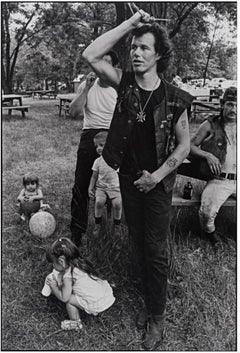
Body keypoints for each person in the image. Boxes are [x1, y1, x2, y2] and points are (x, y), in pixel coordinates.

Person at [82, 9, 194, 350]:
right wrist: (131, 24)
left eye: (144, 47)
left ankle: (157, 316)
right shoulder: (125, 83)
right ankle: (149, 299)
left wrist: (157, 175)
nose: (136, 52)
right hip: (129, 179)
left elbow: (185, 144)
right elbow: (90, 54)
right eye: (133, 47)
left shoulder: (176, 98)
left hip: (157, 184)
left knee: (156, 248)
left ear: (158, 54)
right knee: (139, 243)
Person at [69, 51, 119, 247]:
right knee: (81, 183)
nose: (101, 68)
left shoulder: (118, 88)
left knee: (113, 181)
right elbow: (73, 113)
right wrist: (86, 89)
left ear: (114, 67)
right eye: (98, 63)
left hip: (113, 135)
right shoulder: (87, 85)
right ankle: (77, 230)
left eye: (107, 64)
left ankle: (112, 223)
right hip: (90, 134)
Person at [190, 86, 237, 246]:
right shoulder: (210, 124)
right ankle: (211, 235)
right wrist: (208, 155)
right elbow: (189, 146)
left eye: (237, 105)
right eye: (230, 104)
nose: (234, 109)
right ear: (222, 104)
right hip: (220, 179)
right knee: (206, 213)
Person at [45, 237, 115, 330]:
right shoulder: (79, 263)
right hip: (107, 294)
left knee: (70, 300)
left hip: (97, 303)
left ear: (61, 261)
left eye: (53, 263)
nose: (53, 266)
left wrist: (54, 287)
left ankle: (76, 324)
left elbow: (64, 297)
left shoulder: (68, 276)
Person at [88, 131, 122, 238]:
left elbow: (122, 174)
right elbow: (94, 176)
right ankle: (97, 224)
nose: (98, 148)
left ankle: (117, 225)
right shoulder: (98, 161)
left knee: (117, 204)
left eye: (101, 145)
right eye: (96, 146)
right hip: (101, 188)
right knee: (98, 202)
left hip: (115, 188)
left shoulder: (117, 160)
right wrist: (90, 187)